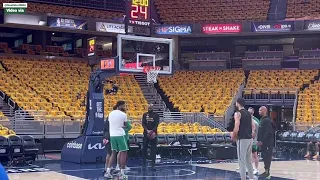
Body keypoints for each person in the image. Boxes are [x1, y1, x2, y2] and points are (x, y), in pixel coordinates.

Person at [231, 98, 254, 180]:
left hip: (242, 138)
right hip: (250, 139)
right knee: (248, 161)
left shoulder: (238, 113)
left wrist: (233, 135)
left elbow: (236, 127)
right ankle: (251, 178)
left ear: (237, 103)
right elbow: (252, 126)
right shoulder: (249, 113)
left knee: (242, 161)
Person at [104, 101, 128, 179]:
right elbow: (125, 125)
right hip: (120, 135)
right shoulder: (123, 114)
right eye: (124, 105)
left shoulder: (111, 114)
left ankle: (107, 171)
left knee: (113, 153)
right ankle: (122, 173)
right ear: (120, 106)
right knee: (123, 153)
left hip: (112, 135)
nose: (124, 107)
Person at [257, 106, 274, 179]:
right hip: (264, 142)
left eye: (260, 110)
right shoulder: (262, 119)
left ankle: (267, 173)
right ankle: (266, 171)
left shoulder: (267, 120)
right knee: (264, 156)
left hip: (267, 142)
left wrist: (262, 141)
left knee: (267, 157)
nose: (259, 111)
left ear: (264, 111)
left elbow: (268, 132)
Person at [142, 104, 159, 169]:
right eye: (148, 107)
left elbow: (156, 124)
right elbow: (143, 124)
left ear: (152, 108)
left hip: (153, 134)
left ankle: (153, 165)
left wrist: (151, 131)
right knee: (144, 148)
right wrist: (147, 130)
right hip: (146, 134)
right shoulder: (144, 114)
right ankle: (143, 164)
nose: (149, 108)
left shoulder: (156, 115)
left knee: (153, 149)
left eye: (151, 107)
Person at [248, 107, 259, 175]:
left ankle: (256, 169)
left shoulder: (256, 121)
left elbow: (257, 131)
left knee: (255, 154)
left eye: (250, 113)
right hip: (248, 140)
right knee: (248, 155)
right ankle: (249, 167)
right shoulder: (247, 119)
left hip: (254, 140)